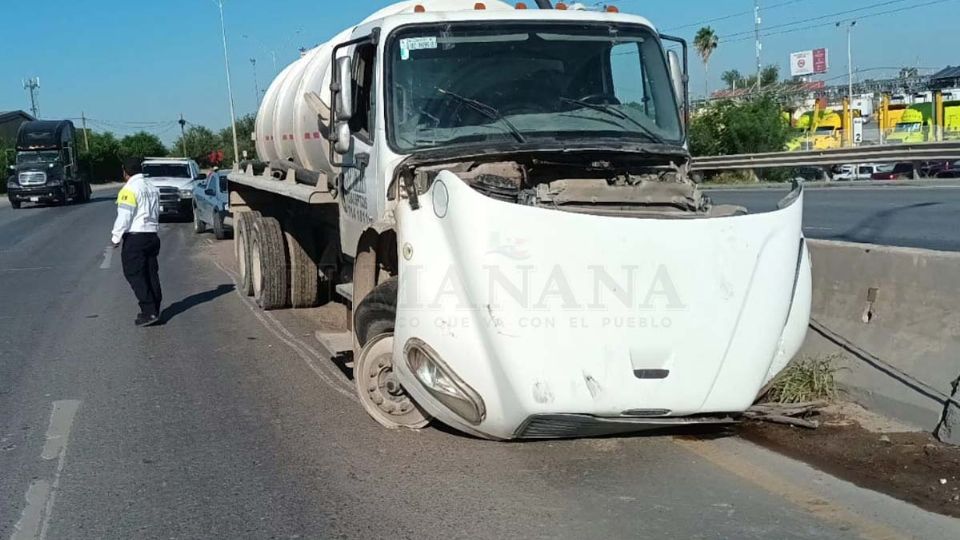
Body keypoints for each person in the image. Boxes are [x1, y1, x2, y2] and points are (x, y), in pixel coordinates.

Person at [111, 158, 162, 326]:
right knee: (150, 273)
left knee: (134, 273)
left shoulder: (129, 189)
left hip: (136, 237)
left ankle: (149, 311)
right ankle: (155, 308)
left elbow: (125, 215)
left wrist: (116, 237)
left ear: (125, 172)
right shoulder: (152, 187)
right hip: (152, 235)